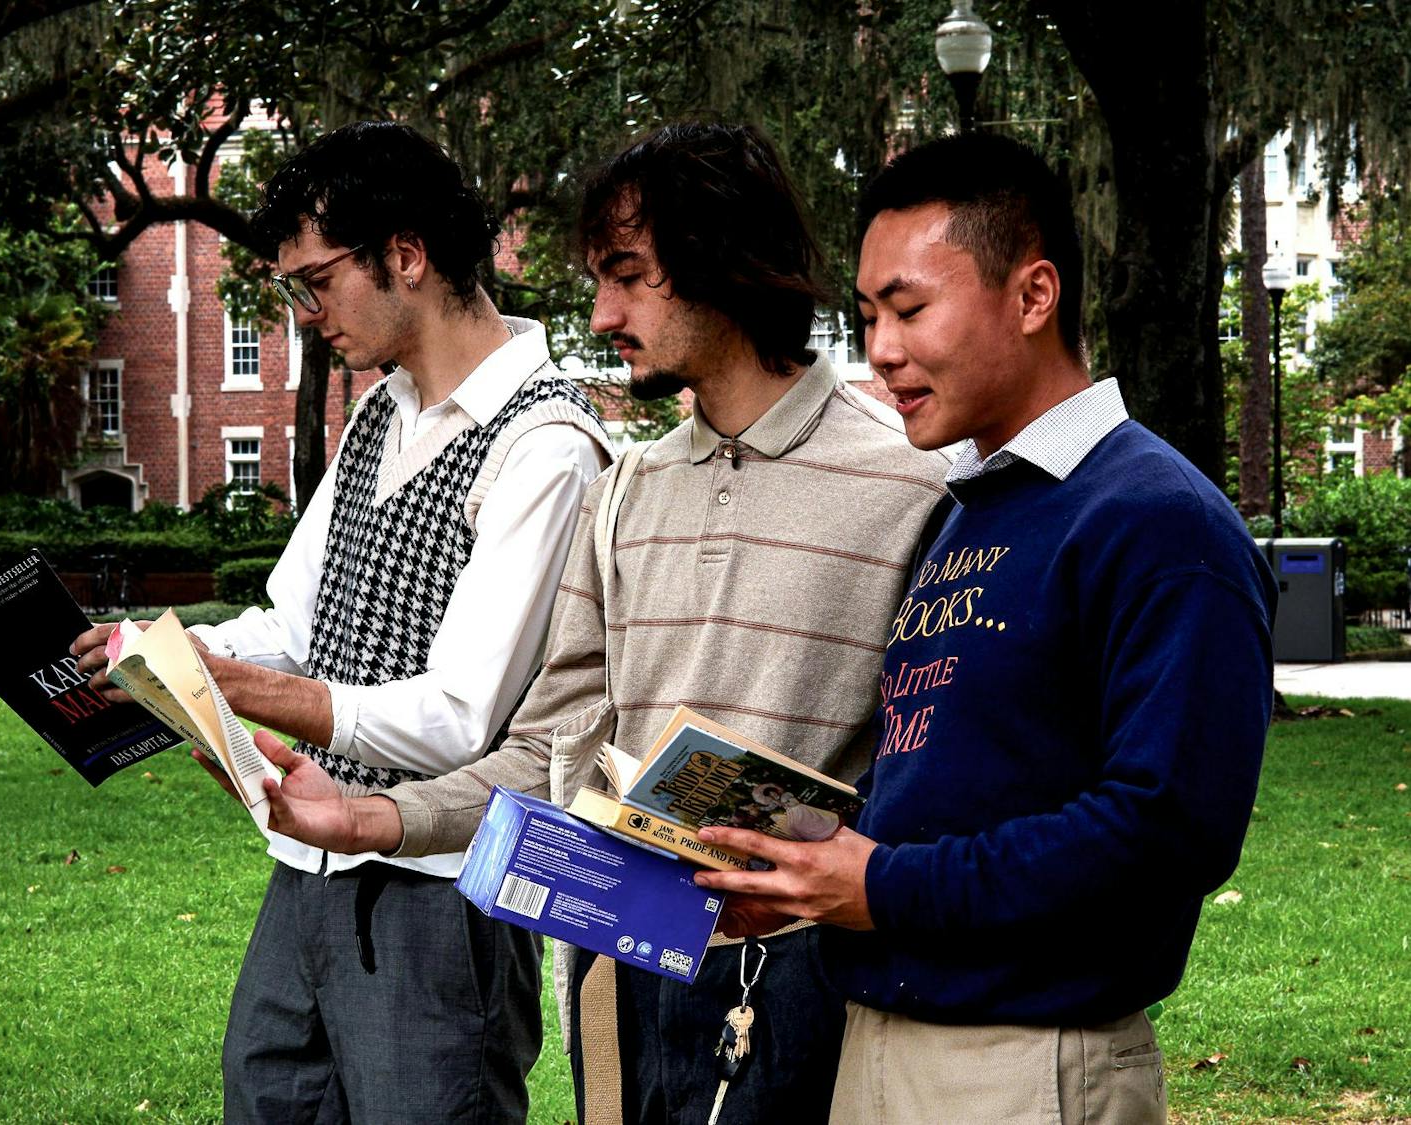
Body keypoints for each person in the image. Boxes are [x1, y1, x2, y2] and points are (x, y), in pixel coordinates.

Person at [236, 122, 950, 1124]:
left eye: (627, 276)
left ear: (725, 259)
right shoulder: (630, 493)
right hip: (626, 961)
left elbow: (950, 769)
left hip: (815, 987)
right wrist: (373, 818)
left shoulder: (915, 483)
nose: (602, 312)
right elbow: (553, 752)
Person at [691, 131, 1278, 1125]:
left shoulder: (1155, 519)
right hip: (878, 1039)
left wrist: (886, 888)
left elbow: (1164, 832)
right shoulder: (967, 509)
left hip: (1025, 1067)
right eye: (869, 314)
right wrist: (805, 875)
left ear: (1033, 296)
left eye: (910, 308)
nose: (880, 349)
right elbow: (950, 784)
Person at [72, 120, 611, 1123]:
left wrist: (242, 688)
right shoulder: (379, 412)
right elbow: (292, 620)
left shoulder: (548, 444)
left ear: (404, 255)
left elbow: (461, 716)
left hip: (441, 888)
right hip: (308, 862)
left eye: (314, 281)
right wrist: (163, 651)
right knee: (264, 1095)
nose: (304, 313)